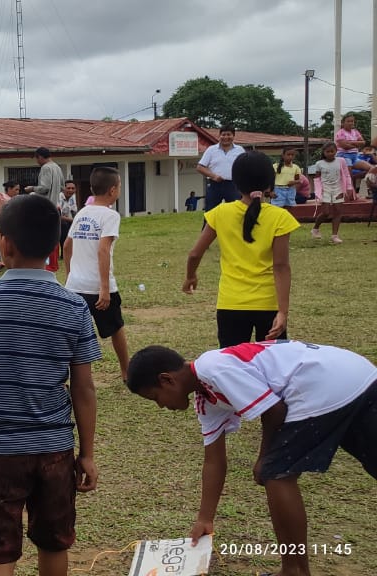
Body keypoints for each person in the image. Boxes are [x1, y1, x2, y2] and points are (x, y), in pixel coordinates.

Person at [125, 341, 377, 576]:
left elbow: (274, 410)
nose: (160, 406)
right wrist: (205, 518)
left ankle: (294, 570)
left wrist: (264, 456)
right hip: (358, 375)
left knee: (276, 474)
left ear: (166, 380)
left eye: (154, 398)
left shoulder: (212, 368)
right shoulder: (206, 399)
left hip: (325, 384)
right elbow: (214, 460)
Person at [0, 194, 101, 575]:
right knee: (53, 543)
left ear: (4, 244)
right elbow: (83, 388)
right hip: (55, 451)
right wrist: (88, 453)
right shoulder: (74, 305)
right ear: (53, 248)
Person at [185, 151, 298, 347]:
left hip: (231, 304)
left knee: (233, 367)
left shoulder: (220, 213)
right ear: (269, 184)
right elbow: (281, 266)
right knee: (274, 367)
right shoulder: (280, 217)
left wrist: (190, 276)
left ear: (235, 183)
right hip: (268, 305)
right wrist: (283, 312)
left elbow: (195, 253)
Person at [64, 167, 130, 383]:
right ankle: (126, 371)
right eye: (119, 186)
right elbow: (103, 250)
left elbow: (66, 246)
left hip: (75, 287)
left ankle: (66, 375)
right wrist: (104, 288)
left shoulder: (83, 212)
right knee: (116, 328)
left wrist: (70, 276)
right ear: (113, 190)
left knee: (72, 336)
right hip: (98, 286)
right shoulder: (110, 215)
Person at [310, 142, 373, 244]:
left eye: (332, 151)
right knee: (326, 212)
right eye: (328, 152)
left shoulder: (341, 161)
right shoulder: (319, 164)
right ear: (324, 152)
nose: (330, 153)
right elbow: (317, 178)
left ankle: (334, 235)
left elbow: (346, 175)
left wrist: (348, 187)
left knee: (338, 211)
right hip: (325, 189)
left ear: (336, 151)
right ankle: (315, 228)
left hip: (338, 189)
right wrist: (318, 192)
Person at [196, 125, 246, 212]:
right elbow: (200, 167)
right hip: (215, 185)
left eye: (228, 135)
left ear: (233, 136)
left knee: (236, 211)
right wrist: (213, 176)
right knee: (210, 212)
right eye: (223, 135)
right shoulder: (211, 150)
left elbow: (245, 167)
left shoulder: (240, 150)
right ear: (219, 136)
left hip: (233, 185)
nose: (226, 137)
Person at [57, 180, 79, 244]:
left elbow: (74, 211)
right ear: (64, 189)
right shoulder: (59, 196)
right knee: (65, 225)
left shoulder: (73, 196)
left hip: (67, 220)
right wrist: (73, 220)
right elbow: (58, 216)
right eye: (68, 188)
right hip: (57, 221)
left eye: (73, 188)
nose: (71, 190)